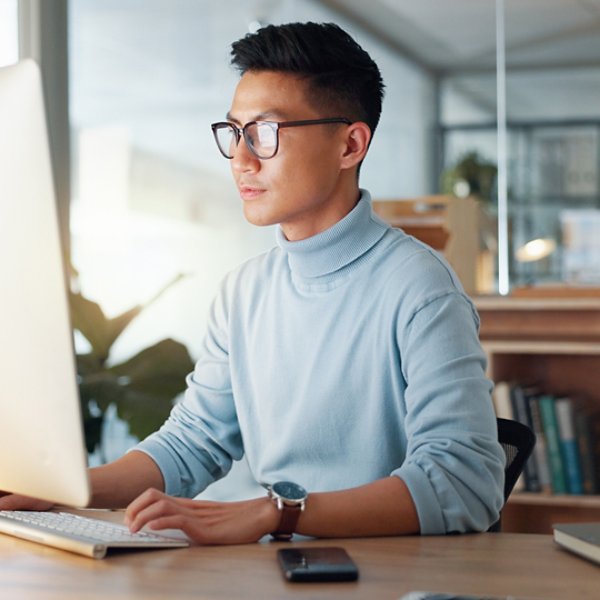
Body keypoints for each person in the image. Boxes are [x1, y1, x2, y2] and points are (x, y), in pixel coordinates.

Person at [0, 22, 504, 543]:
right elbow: (193, 442)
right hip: (277, 567)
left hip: (385, 573)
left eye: (266, 132)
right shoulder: (245, 290)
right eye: (235, 132)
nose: (242, 158)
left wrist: (277, 512)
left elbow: (463, 482)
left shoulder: (420, 286)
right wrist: (66, 490)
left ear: (350, 144)